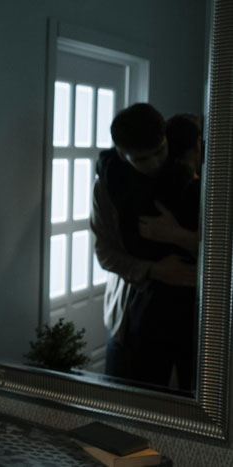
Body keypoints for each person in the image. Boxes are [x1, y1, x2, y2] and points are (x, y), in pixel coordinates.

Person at [91, 103, 198, 391]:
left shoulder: (194, 170)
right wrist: (154, 270)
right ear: (122, 154)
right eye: (141, 159)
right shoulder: (108, 186)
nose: (154, 164)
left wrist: (177, 235)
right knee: (127, 402)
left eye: (159, 152)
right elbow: (105, 253)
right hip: (132, 312)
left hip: (200, 311)